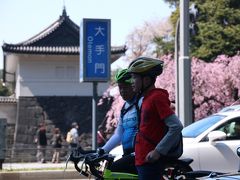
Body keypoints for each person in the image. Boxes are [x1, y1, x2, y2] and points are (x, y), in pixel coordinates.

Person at [127, 56, 183, 180]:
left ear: (146, 80)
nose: (131, 81)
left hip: (150, 161)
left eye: (135, 77)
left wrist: (158, 152)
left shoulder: (156, 97)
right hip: (142, 160)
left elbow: (176, 126)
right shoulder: (145, 99)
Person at [100, 69, 141, 174]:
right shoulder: (124, 108)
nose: (122, 91)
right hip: (127, 153)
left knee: (113, 170)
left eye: (125, 87)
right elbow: (118, 134)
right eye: (120, 87)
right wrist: (103, 150)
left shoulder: (141, 103)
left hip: (140, 153)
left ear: (133, 86)